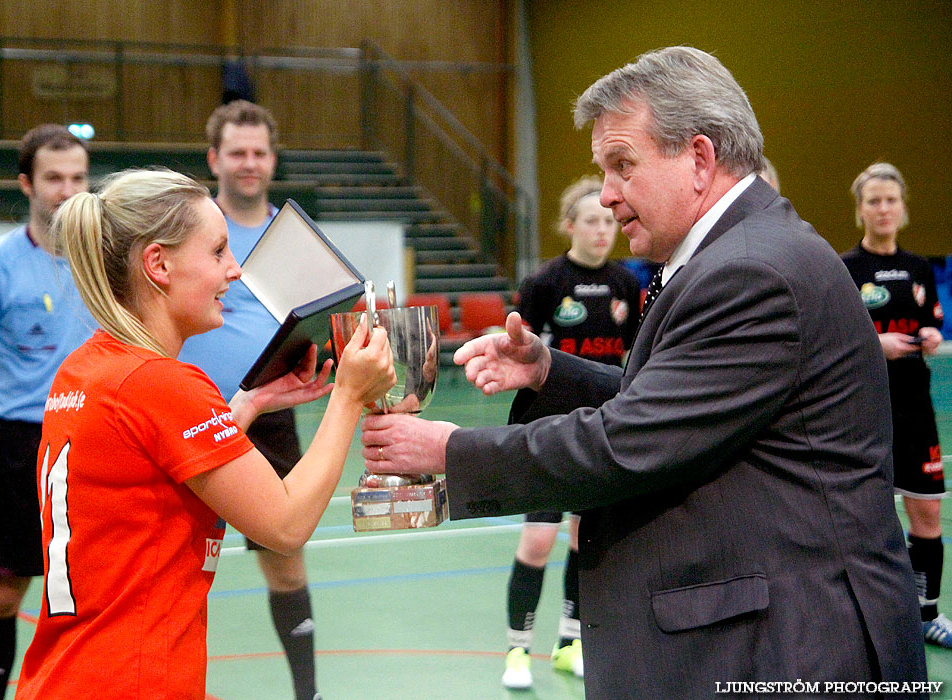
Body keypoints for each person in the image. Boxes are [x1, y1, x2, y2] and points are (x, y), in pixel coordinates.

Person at [360, 47, 927, 699]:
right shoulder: (740, 253)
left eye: (622, 166)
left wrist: (448, 450)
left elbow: (634, 442)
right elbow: (678, 411)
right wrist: (549, 371)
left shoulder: (752, 273)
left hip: (789, 649)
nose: (605, 194)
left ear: (699, 159)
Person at [14, 169, 394, 699]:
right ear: (158, 264)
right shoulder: (162, 384)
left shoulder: (86, 368)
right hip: (137, 680)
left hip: (70, 673)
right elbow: (284, 525)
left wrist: (250, 403)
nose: (234, 271)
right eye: (218, 252)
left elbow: (156, 470)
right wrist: (350, 396)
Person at [177, 100, 325, 700]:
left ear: (272, 159)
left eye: (259, 152)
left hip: (271, 419)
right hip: (188, 414)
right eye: (236, 152)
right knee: (180, 563)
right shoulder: (190, 230)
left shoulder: (292, 237)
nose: (249, 163)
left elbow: (319, 321)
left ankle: (307, 693)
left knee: (285, 557)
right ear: (214, 158)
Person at [0, 124, 93, 700]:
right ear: (26, 184)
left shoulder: (104, 259)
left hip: (94, 443)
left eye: (78, 178)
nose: (67, 190)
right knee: (4, 593)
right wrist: (16, 413)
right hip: (19, 445)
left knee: (88, 592)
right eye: (53, 178)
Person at [500, 175, 640, 689]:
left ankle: (569, 641)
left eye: (609, 220)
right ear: (570, 226)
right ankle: (517, 651)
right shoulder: (545, 284)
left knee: (585, 538)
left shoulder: (628, 284)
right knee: (538, 540)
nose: (603, 230)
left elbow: (633, 357)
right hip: (549, 428)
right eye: (592, 221)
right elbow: (521, 352)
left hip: (602, 427)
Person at [841, 162, 950, 648]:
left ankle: (927, 613)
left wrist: (930, 336)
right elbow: (833, 340)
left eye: (891, 200)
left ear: (902, 208)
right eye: (873, 200)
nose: (883, 209)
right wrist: (874, 345)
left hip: (916, 410)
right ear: (860, 209)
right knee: (866, 520)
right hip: (864, 414)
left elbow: (931, 322)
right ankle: (871, 616)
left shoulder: (920, 268)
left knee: (926, 516)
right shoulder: (845, 270)